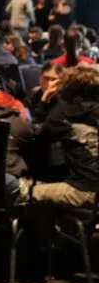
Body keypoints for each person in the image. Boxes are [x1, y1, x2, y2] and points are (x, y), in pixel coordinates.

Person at [27, 64, 99, 209]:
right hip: (92, 186)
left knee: (26, 193)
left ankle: (49, 232)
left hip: (84, 189)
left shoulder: (65, 111)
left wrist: (44, 98)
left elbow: (38, 133)